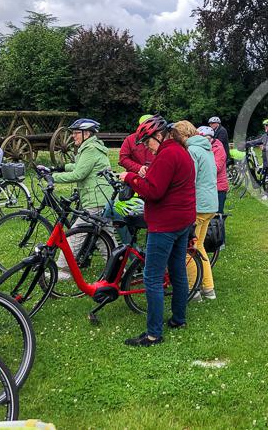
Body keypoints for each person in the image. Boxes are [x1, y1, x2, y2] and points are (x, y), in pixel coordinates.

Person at [120, 115, 196, 346]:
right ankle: (178, 319)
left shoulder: (168, 154)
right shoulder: (179, 151)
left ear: (159, 136)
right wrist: (145, 175)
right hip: (183, 221)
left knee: (151, 277)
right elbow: (163, 181)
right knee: (177, 272)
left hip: (166, 224)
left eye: (148, 142)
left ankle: (153, 333)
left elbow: (153, 192)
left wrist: (131, 177)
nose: (147, 148)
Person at [50, 118, 113, 280]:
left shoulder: (90, 149)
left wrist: (53, 177)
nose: (73, 136)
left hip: (96, 201)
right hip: (100, 199)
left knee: (75, 236)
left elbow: (79, 174)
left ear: (87, 133)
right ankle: (120, 272)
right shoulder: (90, 147)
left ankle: (63, 270)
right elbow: (80, 166)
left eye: (77, 133)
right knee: (104, 239)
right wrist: (62, 167)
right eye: (73, 133)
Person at [171, 121, 218, 301]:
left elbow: (190, 180)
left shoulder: (191, 151)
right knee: (199, 247)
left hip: (198, 206)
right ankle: (208, 288)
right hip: (210, 204)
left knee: (186, 250)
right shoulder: (206, 149)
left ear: (182, 136)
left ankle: (193, 290)